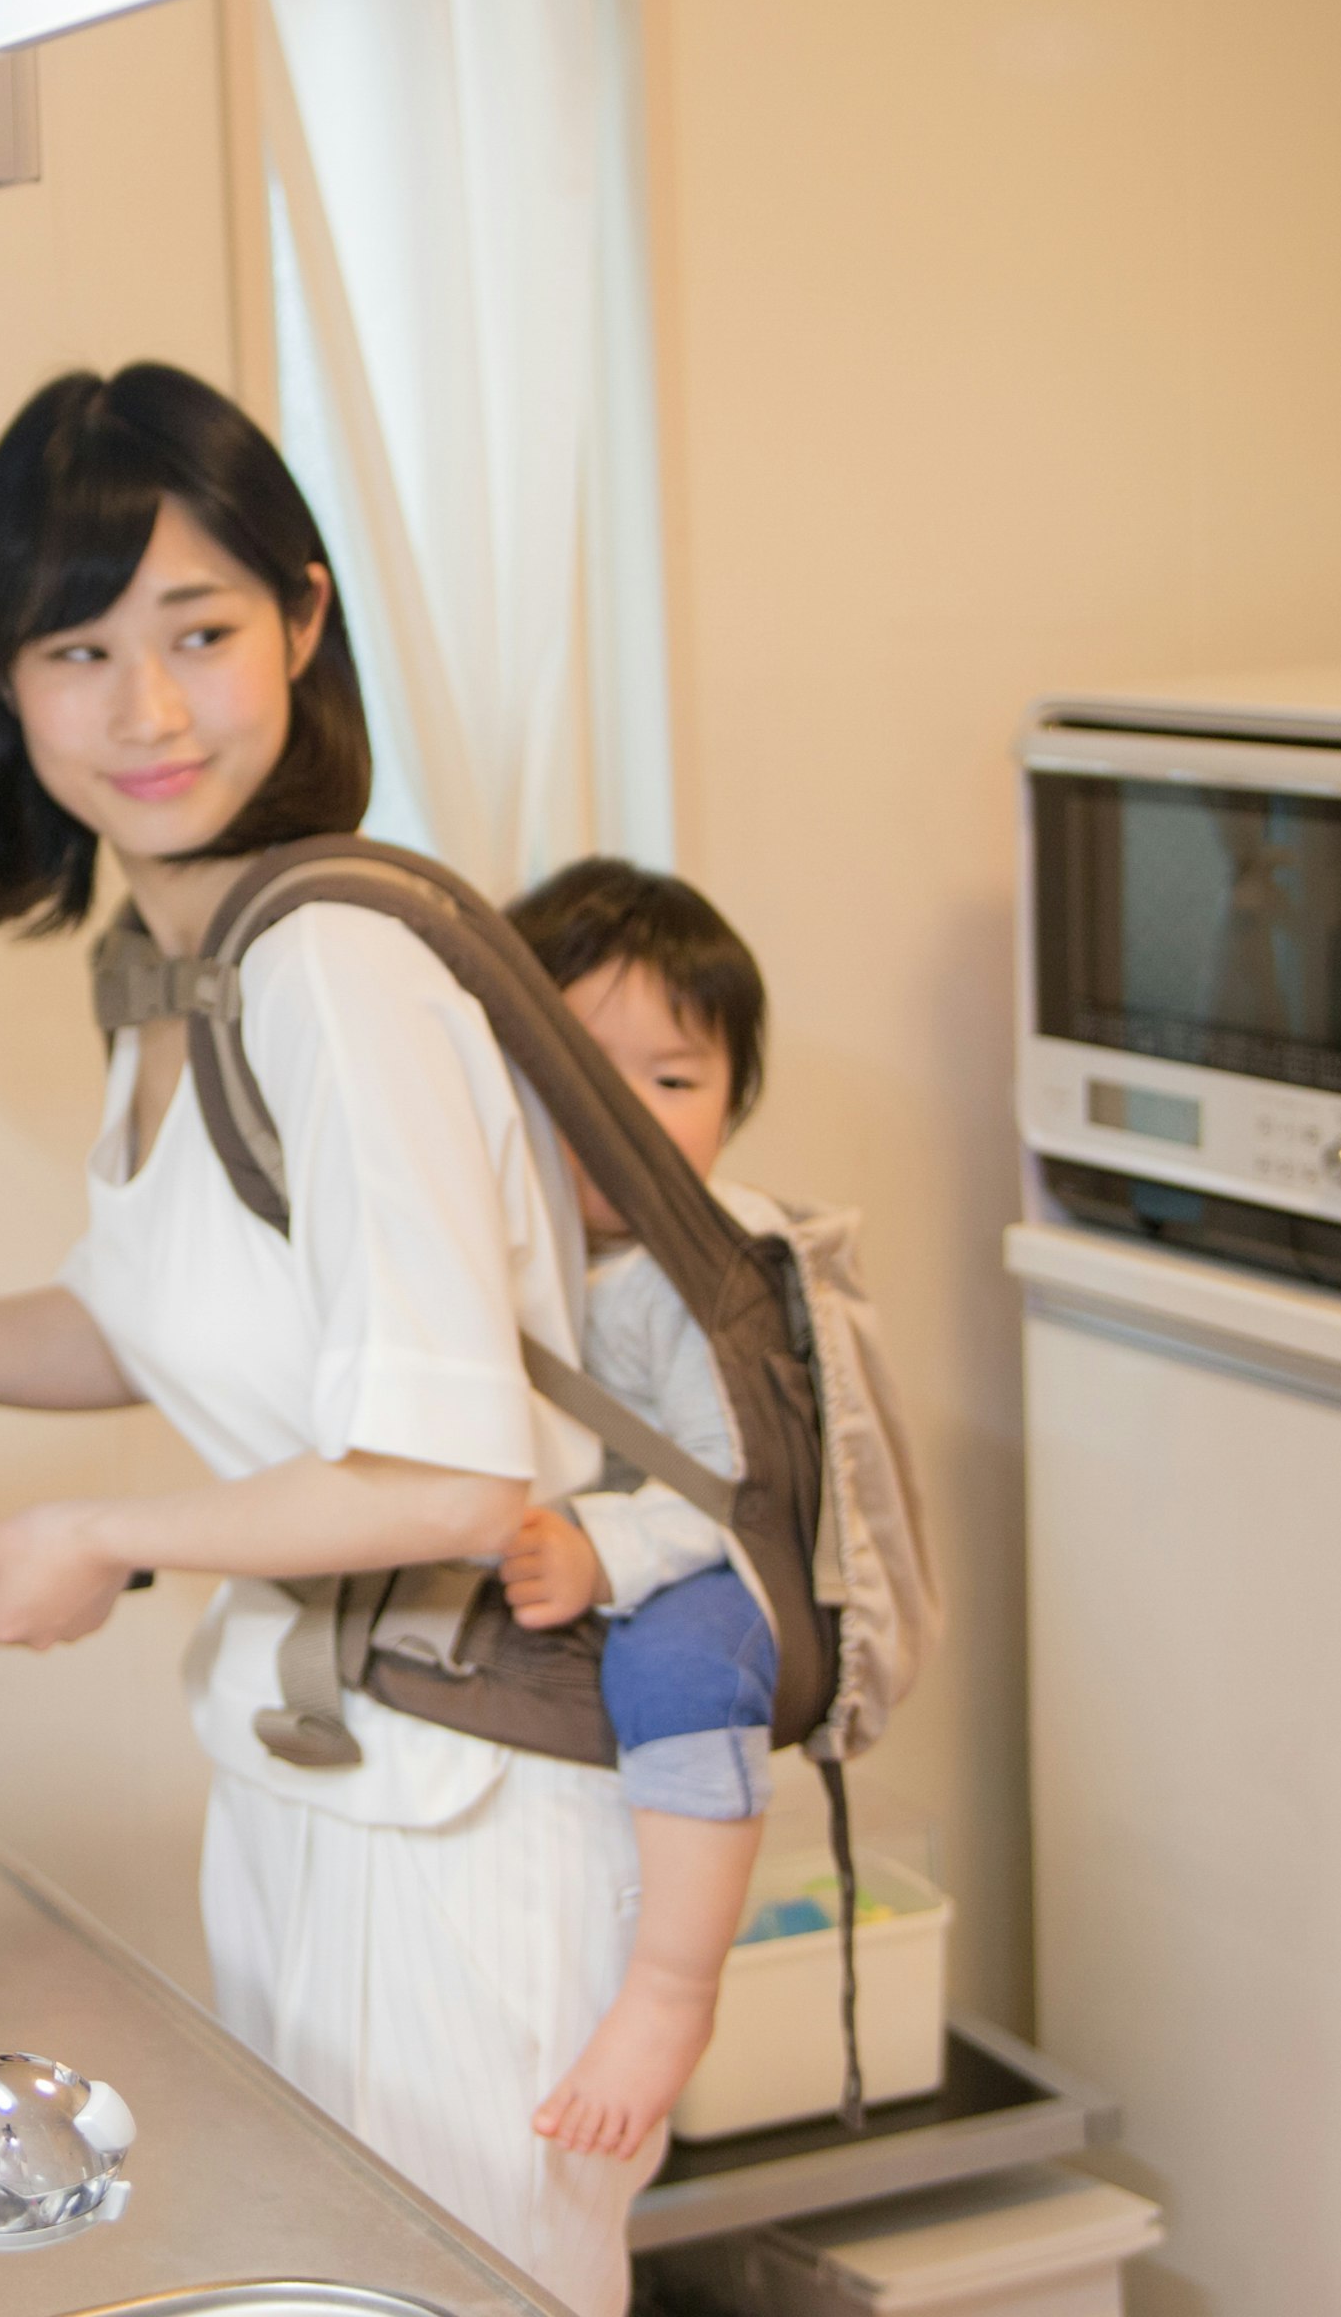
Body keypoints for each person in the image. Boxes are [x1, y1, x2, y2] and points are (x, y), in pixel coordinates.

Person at [0, 362, 654, 2314]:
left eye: (200, 632)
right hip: (322, 1772)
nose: (145, 708)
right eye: (78, 646)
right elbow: (163, 1322)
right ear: (3, 688)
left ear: (303, 619)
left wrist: (108, 1537)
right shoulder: (179, 970)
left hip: (462, 1826)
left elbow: (451, 1469)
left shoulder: (333, 971)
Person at [489, 858, 783, 2163]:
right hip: (572, 1547)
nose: (627, 1117)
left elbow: (739, 1486)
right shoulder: (497, 1239)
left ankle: (673, 1993)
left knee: (686, 1660)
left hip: (705, 1560)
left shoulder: (702, 1268)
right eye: (582, 1079)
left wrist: (603, 1552)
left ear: (733, 1103)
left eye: (673, 1083)